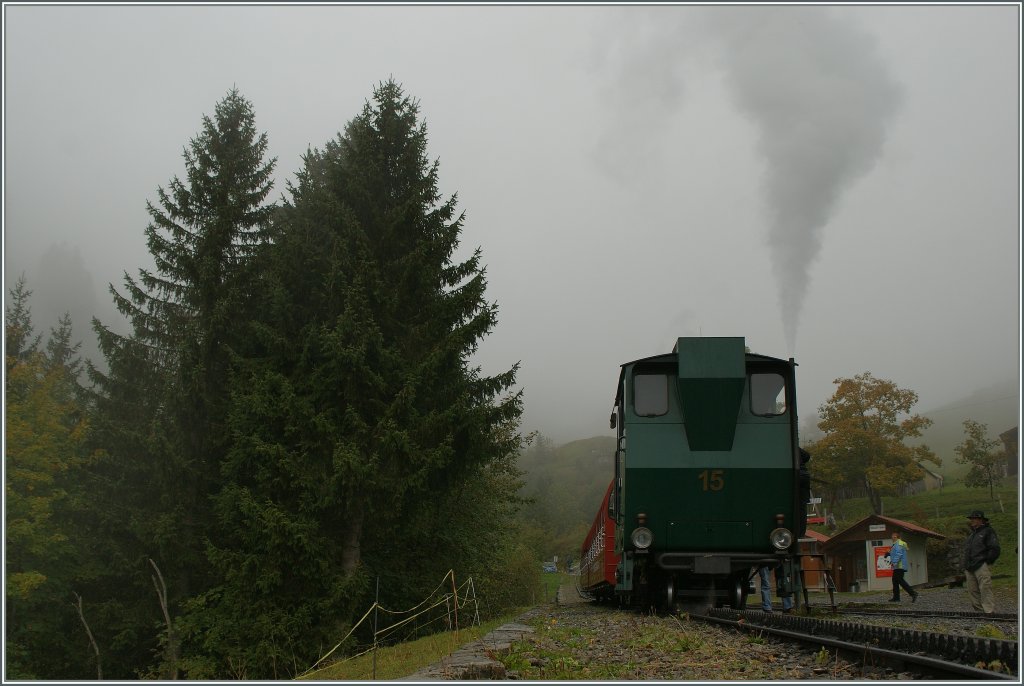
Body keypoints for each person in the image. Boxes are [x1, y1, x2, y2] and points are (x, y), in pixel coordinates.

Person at [963, 510, 1000, 614]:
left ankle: (989, 611)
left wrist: (987, 562)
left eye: (974, 519)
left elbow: (995, 548)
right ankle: (979, 612)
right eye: (971, 519)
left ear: (981, 520)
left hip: (981, 564)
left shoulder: (988, 531)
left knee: (985, 588)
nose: (971, 520)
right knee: (972, 590)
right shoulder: (972, 534)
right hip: (970, 566)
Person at [887, 531, 918, 603]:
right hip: (897, 566)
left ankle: (913, 593)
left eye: (894, 536)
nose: (892, 538)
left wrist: (894, 562)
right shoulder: (896, 544)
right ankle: (896, 597)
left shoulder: (899, 543)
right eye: (892, 536)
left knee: (900, 580)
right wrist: (888, 554)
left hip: (899, 565)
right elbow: (896, 553)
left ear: (897, 537)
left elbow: (899, 554)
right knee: (895, 581)